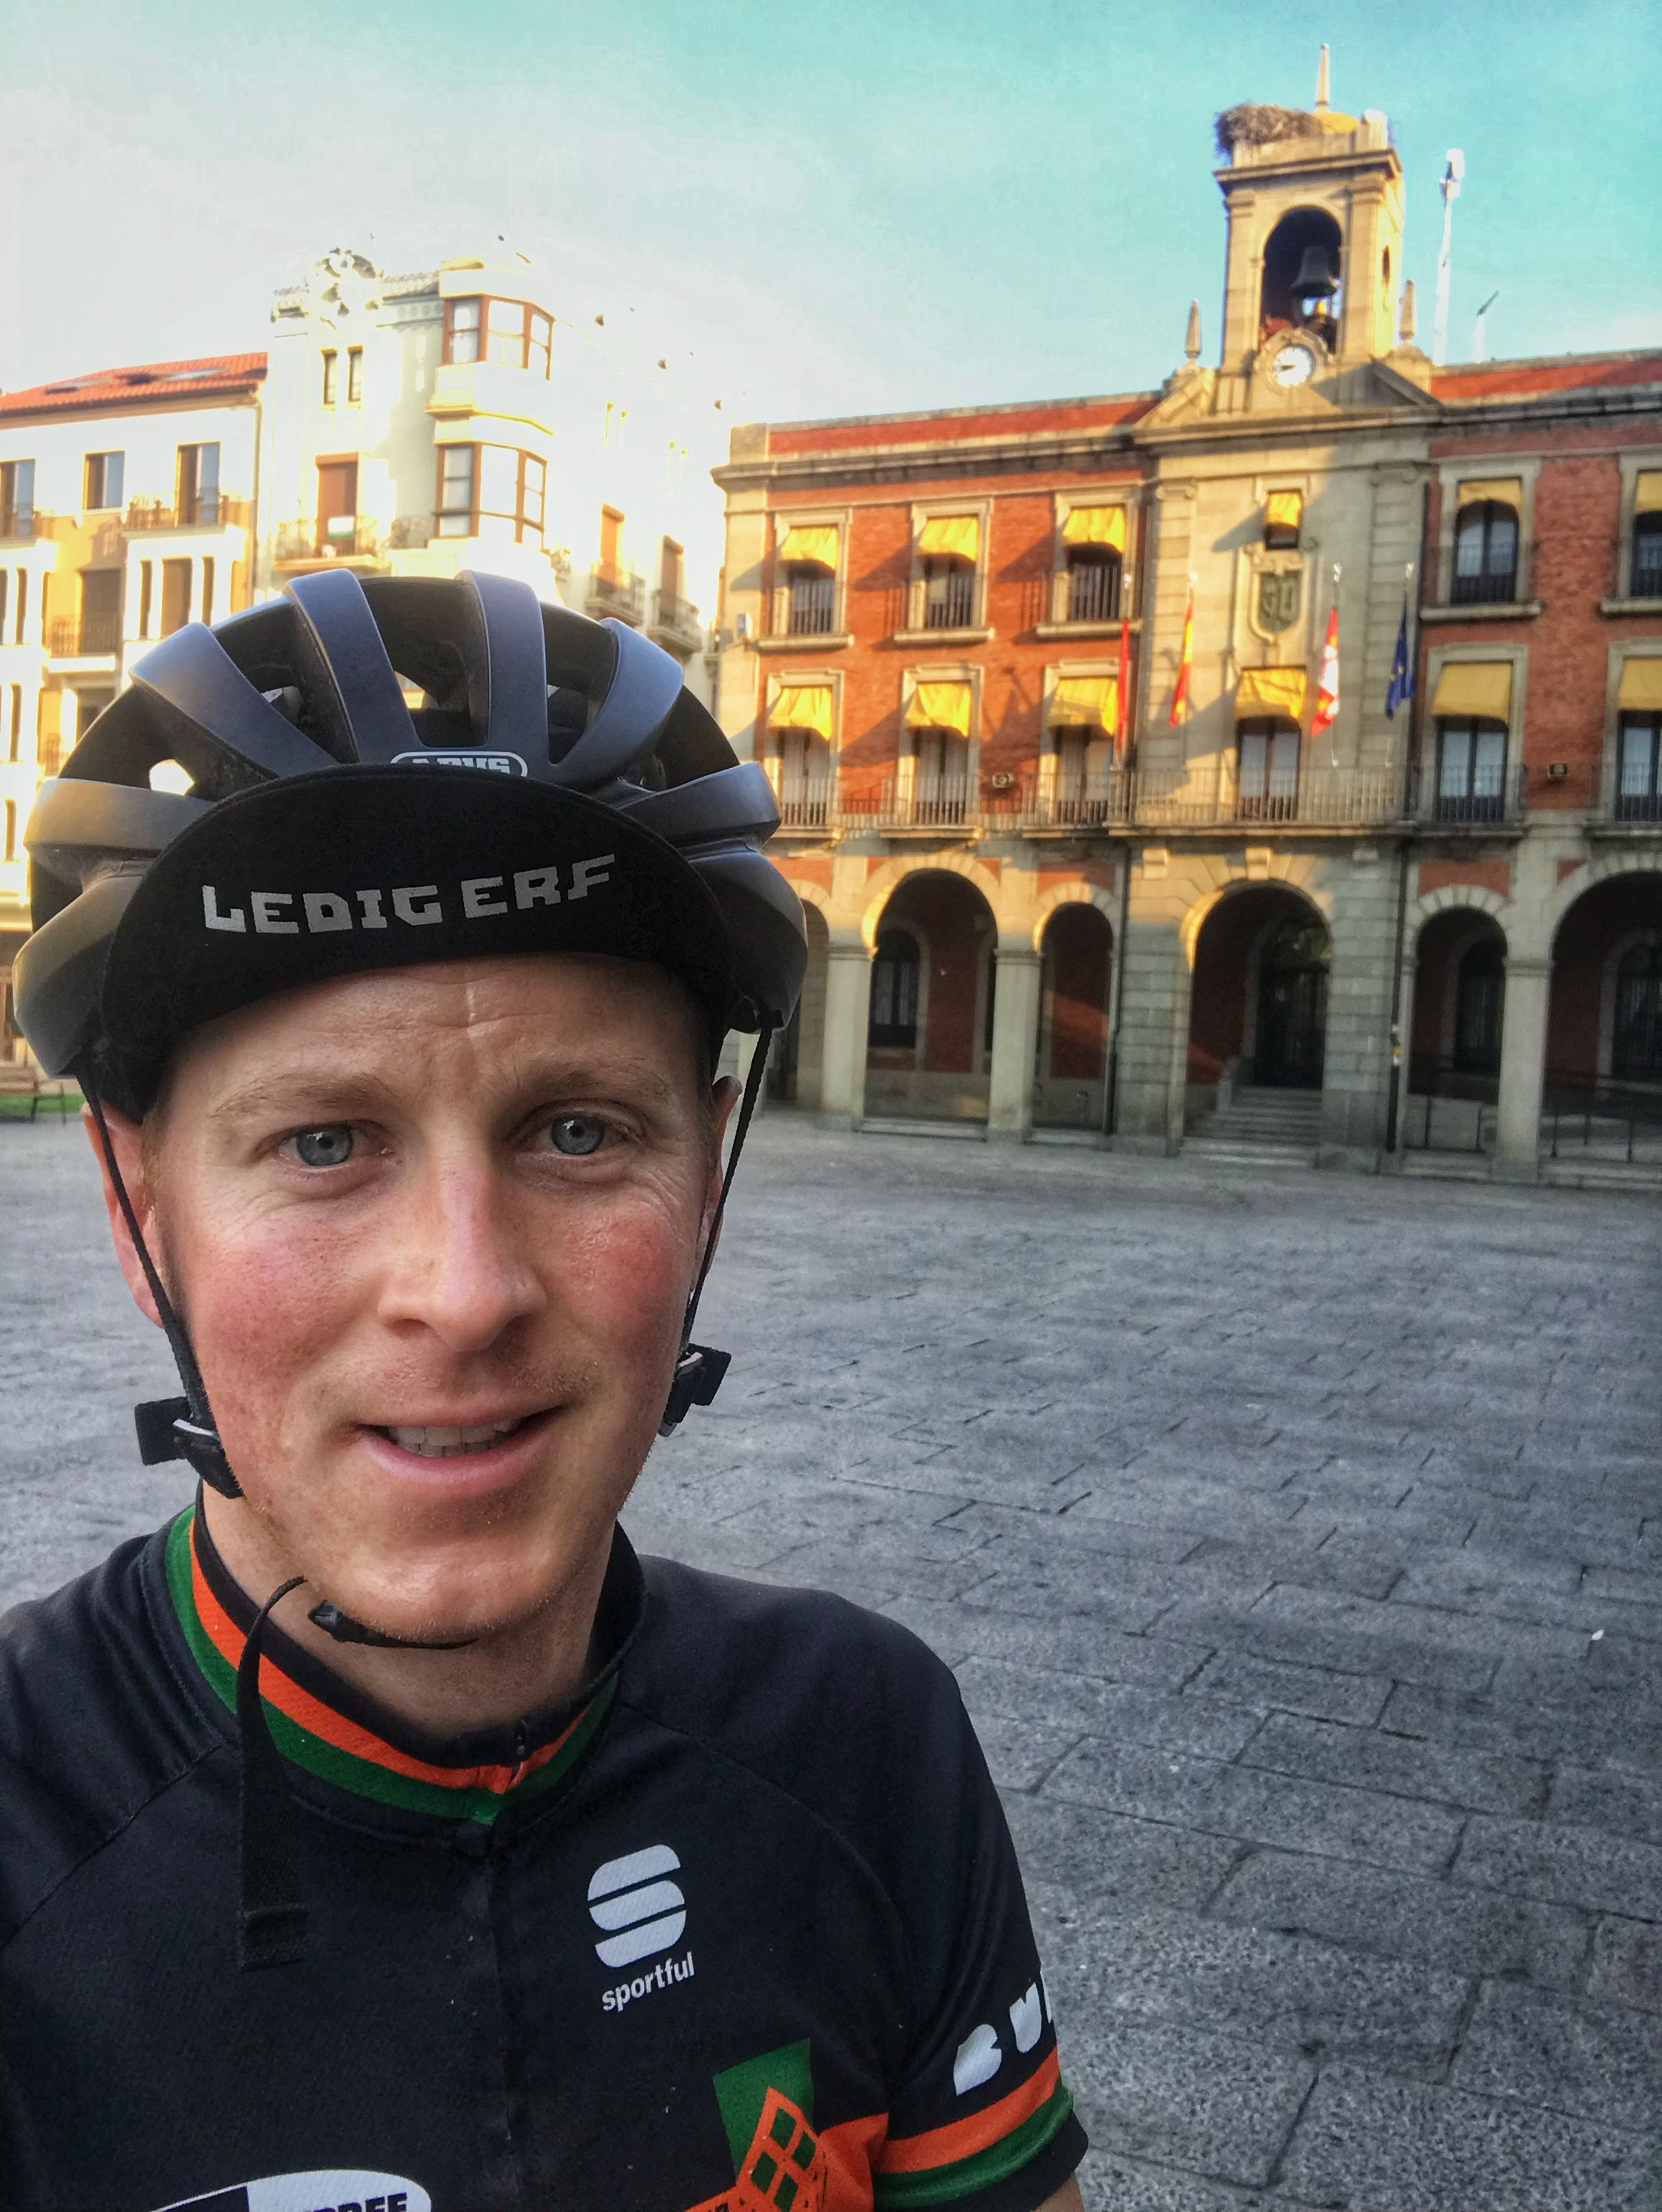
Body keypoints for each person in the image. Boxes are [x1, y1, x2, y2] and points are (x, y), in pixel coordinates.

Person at [0, 570, 1087, 2212]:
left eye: (578, 1129)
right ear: (141, 1214)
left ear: (704, 1183)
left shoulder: (868, 1746)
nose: (465, 1288)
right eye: (323, 1140)